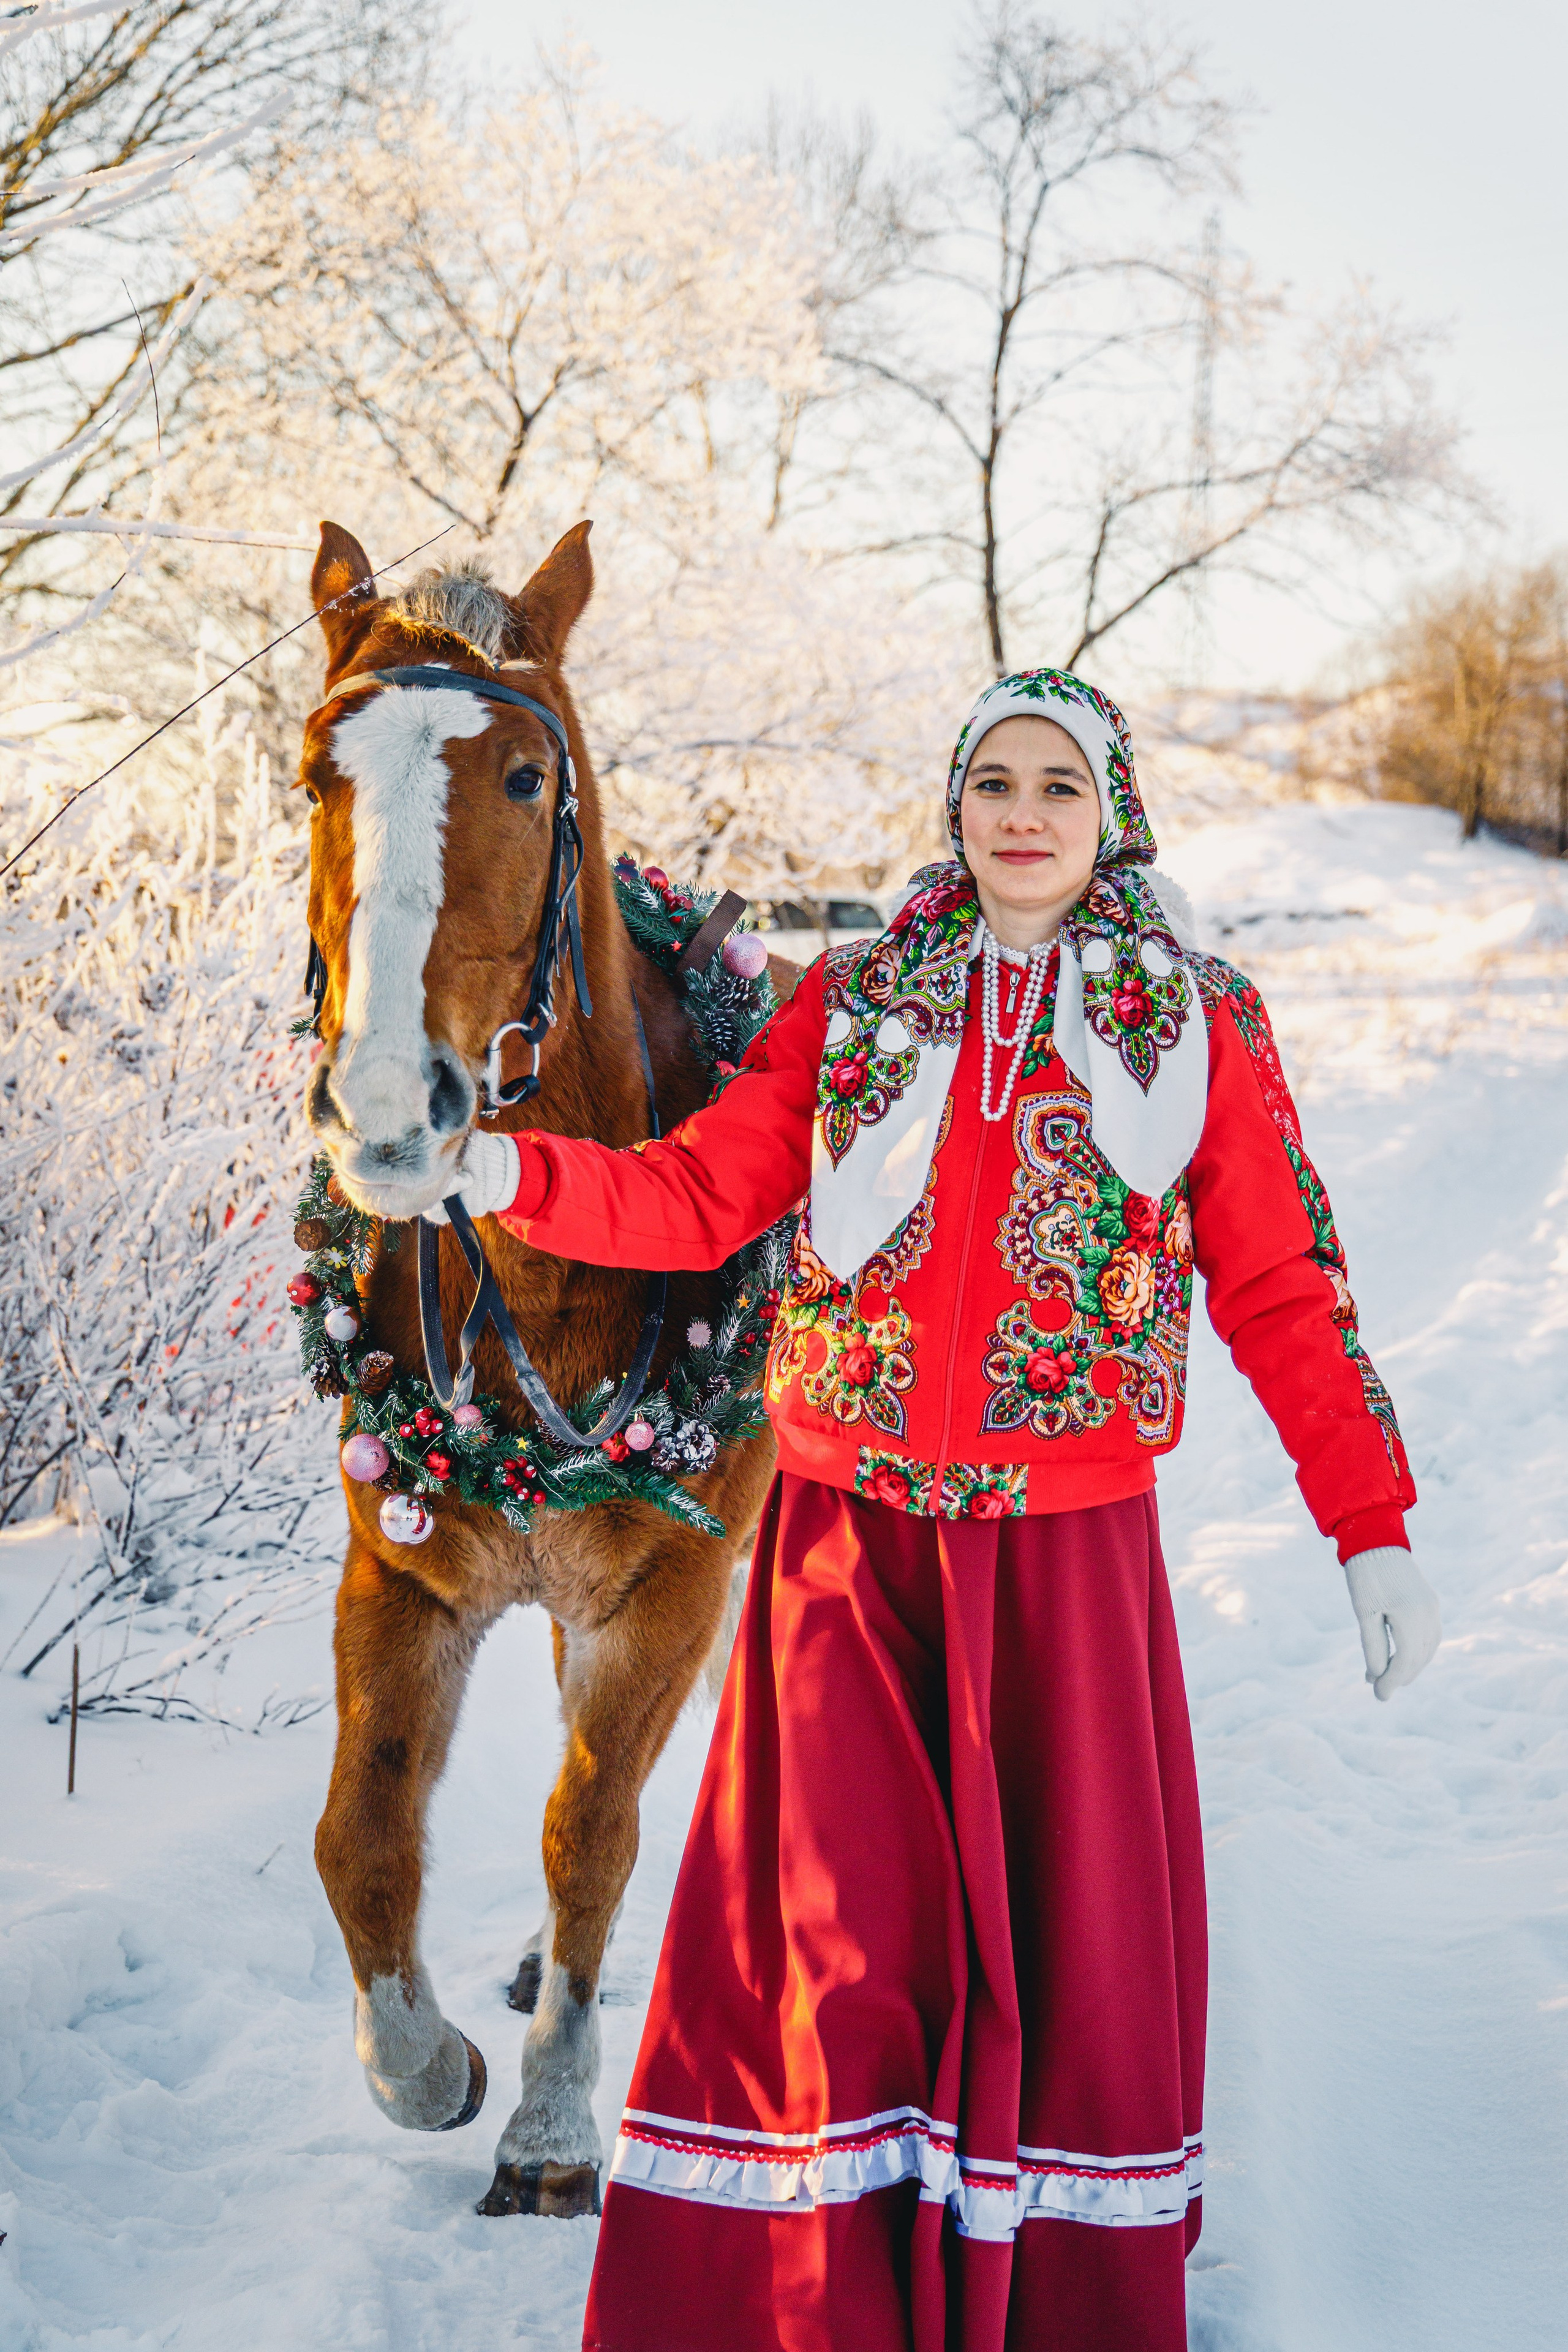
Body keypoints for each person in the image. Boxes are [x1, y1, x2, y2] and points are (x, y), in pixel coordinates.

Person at [436, 670, 1441, 2352]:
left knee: (1058, 1954)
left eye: (1060, 781)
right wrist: (502, 1171)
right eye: (994, 780)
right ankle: (817, 2298)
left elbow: (1283, 1289)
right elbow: (699, 1198)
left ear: (1111, 810)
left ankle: (1032, 2294)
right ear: (955, 804)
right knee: (833, 1945)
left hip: (1064, 1564)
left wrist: (1373, 1521)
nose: (1024, 811)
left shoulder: (1187, 1019)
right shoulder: (861, 1001)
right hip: (849, 1549)